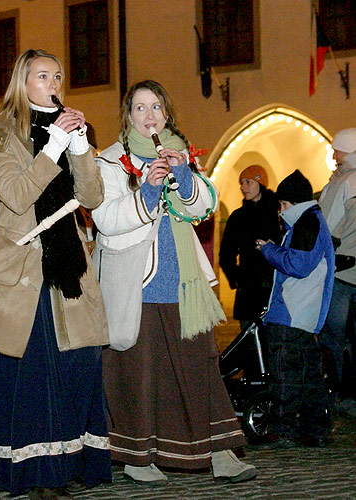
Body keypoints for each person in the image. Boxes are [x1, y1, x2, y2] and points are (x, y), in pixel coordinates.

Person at [0, 49, 111, 499]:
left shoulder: (68, 131)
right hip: (23, 266)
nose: (53, 83)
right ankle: (35, 470)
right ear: (21, 83)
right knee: (34, 371)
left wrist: (80, 148)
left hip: (69, 264)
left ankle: (70, 462)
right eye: (42, 75)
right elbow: (17, 194)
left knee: (77, 364)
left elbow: (93, 197)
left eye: (58, 76)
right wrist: (54, 148)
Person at [91, 79, 255, 486]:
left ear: (167, 115)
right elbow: (105, 221)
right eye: (141, 108)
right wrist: (146, 191)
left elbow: (203, 207)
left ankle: (220, 452)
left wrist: (183, 175)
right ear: (128, 115)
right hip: (135, 282)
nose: (150, 116)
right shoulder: (109, 161)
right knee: (138, 372)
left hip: (183, 283)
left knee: (200, 367)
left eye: (157, 108)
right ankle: (136, 457)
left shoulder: (179, 154)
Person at [257, 169, 335, 447]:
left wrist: (268, 250)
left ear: (288, 203)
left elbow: (297, 265)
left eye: (281, 205)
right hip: (305, 314)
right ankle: (314, 431)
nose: (279, 211)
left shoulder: (306, 223)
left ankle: (284, 430)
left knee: (285, 376)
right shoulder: (313, 221)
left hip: (291, 312)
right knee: (309, 377)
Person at [317, 128, 356, 412]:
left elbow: (327, 230)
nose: (333, 156)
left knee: (333, 337)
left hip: (341, 273)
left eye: (337, 151)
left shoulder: (342, 183)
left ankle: (339, 392)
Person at [220, 165, 281, 332]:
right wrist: (237, 278)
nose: (243, 187)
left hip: (274, 287)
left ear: (260, 183)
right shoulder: (238, 216)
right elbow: (226, 253)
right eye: (241, 183)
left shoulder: (277, 212)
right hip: (248, 288)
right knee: (249, 341)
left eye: (248, 182)